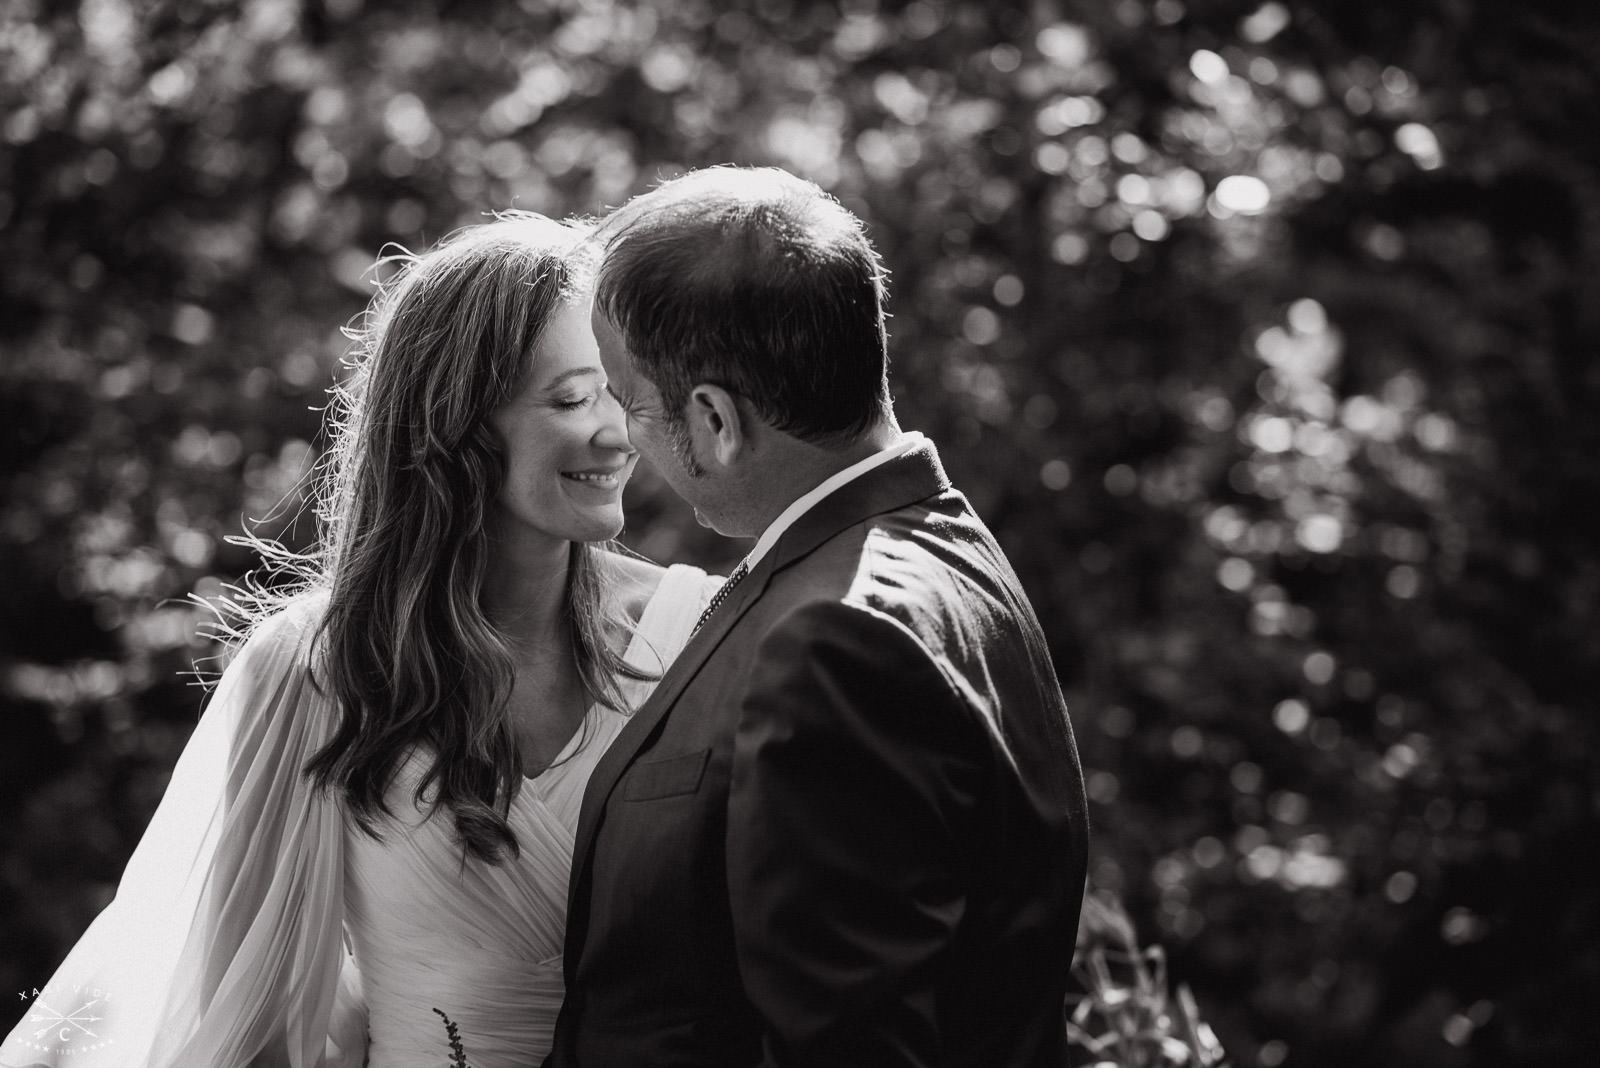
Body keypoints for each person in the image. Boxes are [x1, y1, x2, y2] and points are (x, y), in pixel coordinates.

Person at [0, 214, 720, 1068]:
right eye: (570, 398)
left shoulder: (700, 634)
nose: (618, 432)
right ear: (454, 426)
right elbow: (250, 1021)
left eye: (620, 390)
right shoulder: (313, 674)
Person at [548, 166, 1090, 1067]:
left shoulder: (834, 645)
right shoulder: (943, 549)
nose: (624, 438)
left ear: (715, 419)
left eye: (633, 403)